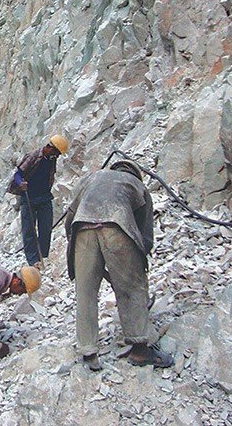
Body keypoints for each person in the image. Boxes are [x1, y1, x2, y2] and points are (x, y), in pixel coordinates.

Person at [65, 159, 174, 371]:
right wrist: (136, 267)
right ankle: (139, 349)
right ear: (134, 173)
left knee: (85, 293)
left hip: (82, 230)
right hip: (117, 226)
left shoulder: (92, 178)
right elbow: (145, 236)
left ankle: (88, 352)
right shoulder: (137, 185)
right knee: (131, 287)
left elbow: (70, 216)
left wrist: (76, 243)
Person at [7, 135, 69, 270]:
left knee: (46, 227)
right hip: (28, 197)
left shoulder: (51, 159)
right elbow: (17, 174)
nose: (57, 156)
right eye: (56, 153)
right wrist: (21, 183)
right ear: (50, 148)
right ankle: (33, 260)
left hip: (44, 197)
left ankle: (43, 256)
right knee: (29, 229)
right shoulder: (33, 156)